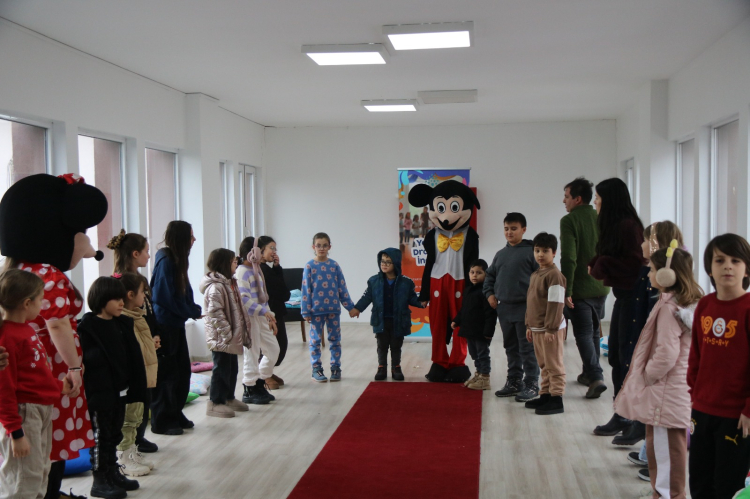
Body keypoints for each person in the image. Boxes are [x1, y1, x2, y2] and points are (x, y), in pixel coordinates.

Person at [0, 173, 107, 499]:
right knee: (50, 437)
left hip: (22, 374)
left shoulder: (13, 271)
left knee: (31, 445)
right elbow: (57, 325)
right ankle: (48, 492)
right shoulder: (49, 275)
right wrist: (74, 367)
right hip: (51, 371)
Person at [615, 243, 702, 499]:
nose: (649, 274)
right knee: (666, 449)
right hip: (673, 391)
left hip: (665, 392)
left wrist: (647, 376)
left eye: (652, 269)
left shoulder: (668, 308)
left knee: (664, 453)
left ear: (667, 274)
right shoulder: (681, 304)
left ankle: (667, 495)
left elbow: (666, 354)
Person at [0, 270, 72, 499]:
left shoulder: (26, 329)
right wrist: (15, 432)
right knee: (23, 480)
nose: (42, 305)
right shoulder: (7, 337)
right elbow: (4, 389)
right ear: (27, 303)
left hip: (39, 411)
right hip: (24, 414)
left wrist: (59, 386)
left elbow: (34, 376)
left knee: (40, 473)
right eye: (41, 300)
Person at [613, 221, 685, 451]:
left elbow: (667, 350)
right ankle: (646, 449)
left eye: (645, 240)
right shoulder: (652, 276)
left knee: (664, 426)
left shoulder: (668, 300)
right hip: (653, 360)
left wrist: (648, 373)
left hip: (664, 376)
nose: (641, 244)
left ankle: (646, 445)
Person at [688, 234, 750, 499]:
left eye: (736, 261)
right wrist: (694, 393)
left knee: (728, 485)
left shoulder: (747, 309)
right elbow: (696, 355)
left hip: (737, 416)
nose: (728, 266)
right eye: (720, 260)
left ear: (746, 269)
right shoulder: (705, 304)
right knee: (700, 482)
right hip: (701, 409)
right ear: (709, 268)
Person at [78, 277, 147, 499]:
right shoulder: (88, 327)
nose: (121, 303)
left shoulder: (121, 324)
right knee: (101, 436)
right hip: (100, 393)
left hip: (120, 390)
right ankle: (99, 480)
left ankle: (112, 472)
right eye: (116, 299)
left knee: (115, 434)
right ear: (102, 299)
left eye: (122, 298)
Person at [588, 178, 645, 436]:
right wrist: (598, 263)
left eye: (598, 198)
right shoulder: (617, 226)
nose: (595, 202)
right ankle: (622, 413)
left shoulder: (627, 226)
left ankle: (628, 417)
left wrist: (600, 265)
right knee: (616, 357)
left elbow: (634, 265)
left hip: (633, 300)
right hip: (624, 298)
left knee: (625, 359)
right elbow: (613, 255)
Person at [108, 229, 161, 453]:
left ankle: (139, 435)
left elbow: (148, 311)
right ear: (135, 254)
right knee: (135, 395)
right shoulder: (118, 282)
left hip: (145, 336)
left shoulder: (140, 280)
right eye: (146, 251)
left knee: (146, 391)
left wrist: (153, 335)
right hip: (132, 342)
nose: (149, 256)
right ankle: (130, 439)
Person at [149, 221, 202, 435]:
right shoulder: (166, 259)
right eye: (191, 236)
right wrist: (190, 310)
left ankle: (175, 412)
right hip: (165, 324)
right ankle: (162, 420)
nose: (194, 239)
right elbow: (163, 297)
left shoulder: (177, 259)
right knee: (167, 374)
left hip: (176, 323)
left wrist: (192, 308)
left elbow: (181, 293)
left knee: (182, 371)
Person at [560, 177, 610, 399]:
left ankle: (596, 376)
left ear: (577, 199)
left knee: (582, 333)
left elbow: (569, 258)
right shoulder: (600, 217)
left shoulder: (569, 220)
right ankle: (588, 374)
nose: (564, 201)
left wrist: (567, 290)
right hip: (601, 285)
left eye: (567, 197)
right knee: (594, 330)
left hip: (580, 288)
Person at [484, 212, 540, 401]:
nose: (509, 232)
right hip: (504, 309)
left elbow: (542, 278)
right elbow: (489, 277)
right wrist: (490, 294)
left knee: (527, 347)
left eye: (514, 229)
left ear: (523, 230)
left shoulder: (532, 252)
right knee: (510, 347)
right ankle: (514, 381)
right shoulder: (500, 255)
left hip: (525, 309)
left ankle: (531, 382)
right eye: (506, 229)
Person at [350, 248, 423, 381]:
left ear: (396, 263)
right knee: (382, 345)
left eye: (388, 262)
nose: (384, 264)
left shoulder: (406, 283)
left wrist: (421, 302)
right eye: (382, 261)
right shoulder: (374, 281)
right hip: (381, 320)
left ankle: (396, 367)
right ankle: (381, 367)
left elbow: (412, 298)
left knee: (396, 345)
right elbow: (367, 297)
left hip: (399, 320)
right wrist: (357, 308)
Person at [115, 273, 158, 477]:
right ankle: (123, 458)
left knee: (137, 418)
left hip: (142, 376)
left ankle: (132, 451)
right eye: (142, 292)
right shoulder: (124, 320)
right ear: (130, 295)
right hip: (132, 379)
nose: (145, 296)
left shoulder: (137, 316)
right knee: (128, 419)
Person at [200, 248, 251, 417]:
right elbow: (215, 312)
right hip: (222, 338)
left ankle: (228, 397)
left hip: (230, 336)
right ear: (224, 263)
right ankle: (215, 402)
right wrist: (227, 334)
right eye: (233, 261)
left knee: (231, 368)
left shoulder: (229, 283)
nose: (236, 263)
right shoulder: (216, 286)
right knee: (221, 370)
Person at [301, 232, 355, 382]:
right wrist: (305, 311)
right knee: (315, 341)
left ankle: (335, 367)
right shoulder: (309, 266)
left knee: (335, 340)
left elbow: (342, 288)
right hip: (315, 312)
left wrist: (350, 307)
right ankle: (316, 369)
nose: (322, 248)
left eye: (325, 245)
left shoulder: (334, 265)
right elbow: (305, 290)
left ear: (329, 247)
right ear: (313, 247)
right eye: (318, 245)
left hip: (333, 310)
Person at [523, 233, 567, 416]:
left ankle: (556, 399)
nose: (540, 254)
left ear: (554, 252)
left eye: (545, 251)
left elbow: (556, 304)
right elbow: (531, 301)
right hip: (537, 328)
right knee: (544, 364)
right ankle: (546, 395)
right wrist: (528, 325)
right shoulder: (536, 274)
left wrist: (551, 328)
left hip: (550, 329)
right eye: (537, 250)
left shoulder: (554, 276)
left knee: (553, 364)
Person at [236, 237, 279, 404]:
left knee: (273, 350)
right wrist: (264, 312)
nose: (262, 254)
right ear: (252, 253)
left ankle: (260, 380)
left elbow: (262, 297)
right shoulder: (241, 272)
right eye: (260, 251)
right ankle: (249, 387)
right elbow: (243, 300)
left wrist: (269, 315)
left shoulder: (256, 270)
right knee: (252, 352)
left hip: (261, 316)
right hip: (250, 317)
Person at [452, 259, 496, 390]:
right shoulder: (468, 290)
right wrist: (456, 320)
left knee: (482, 354)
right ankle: (478, 374)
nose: (475, 275)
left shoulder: (486, 292)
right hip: (469, 330)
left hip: (481, 332)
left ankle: (485, 378)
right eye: (472, 272)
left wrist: (488, 332)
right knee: (474, 354)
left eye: (479, 272)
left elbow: (491, 314)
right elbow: (464, 309)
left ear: (486, 275)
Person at [257, 236, 290, 389]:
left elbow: (283, 291)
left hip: (276, 312)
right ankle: (264, 375)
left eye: (275, 248)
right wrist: (276, 270)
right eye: (271, 248)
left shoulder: (268, 269)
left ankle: (267, 372)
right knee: (272, 347)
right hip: (268, 313)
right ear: (260, 250)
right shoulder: (261, 270)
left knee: (280, 346)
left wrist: (277, 267)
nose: (274, 251)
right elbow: (284, 292)